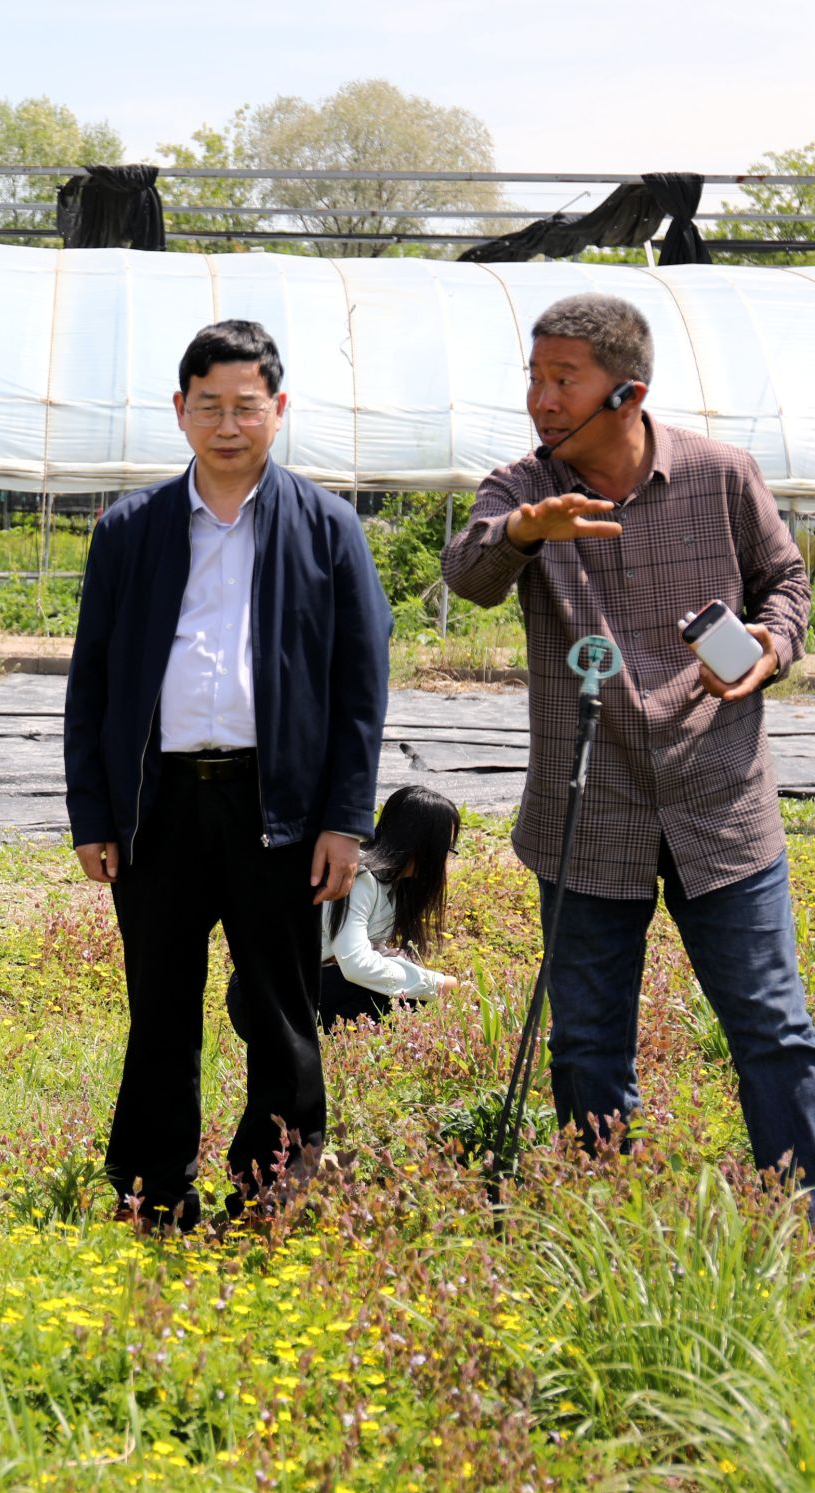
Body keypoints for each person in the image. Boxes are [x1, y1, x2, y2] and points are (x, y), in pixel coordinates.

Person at [442, 292, 815, 1183]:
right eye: (534, 378)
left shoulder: (722, 476)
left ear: (628, 393)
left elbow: (787, 584)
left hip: (719, 800)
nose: (542, 399)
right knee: (588, 1043)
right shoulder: (520, 489)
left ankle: (801, 1214)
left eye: (564, 380)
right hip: (590, 806)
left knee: (774, 1029)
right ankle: (604, 1213)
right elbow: (470, 574)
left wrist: (769, 647)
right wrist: (526, 535)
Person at [64, 319, 392, 1232]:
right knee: (159, 1007)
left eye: (247, 406)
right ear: (180, 412)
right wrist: (94, 812)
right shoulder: (132, 529)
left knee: (282, 1007)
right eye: (208, 405)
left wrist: (344, 820)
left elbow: (363, 685)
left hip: (275, 807)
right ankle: (151, 1188)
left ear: (278, 410)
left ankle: (275, 1188)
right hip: (158, 804)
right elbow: (90, 681)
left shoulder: (325, 526)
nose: (228, 424)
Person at [314, 785, 461, 1029]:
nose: (445, 860)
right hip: (267, 994)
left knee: (404, 989)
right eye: (446, 849)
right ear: (423, 845)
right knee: (400, 993)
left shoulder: (392, 886)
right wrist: (436, 984)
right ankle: (335, 1042)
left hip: (303, 988)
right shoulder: (362, 878)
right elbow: (356, 965)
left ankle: (341, 1044)